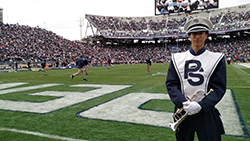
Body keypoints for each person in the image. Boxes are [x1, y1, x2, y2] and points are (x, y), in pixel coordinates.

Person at [166, 17, 226, 141]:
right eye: (194, 33)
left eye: (200, 33)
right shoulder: (177, 58)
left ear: (206, 35)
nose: (197, 36)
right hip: (183, 110)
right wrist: (183, 102)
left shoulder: (217, 58)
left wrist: (201, 105)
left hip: (206, 111)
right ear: (189, 36)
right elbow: (171, 84)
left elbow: (219, 88)